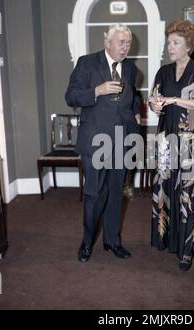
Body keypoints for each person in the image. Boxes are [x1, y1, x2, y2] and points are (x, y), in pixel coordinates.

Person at [65, 24, 140, 262]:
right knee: (94, 193)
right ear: (107, 42)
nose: (125, 47)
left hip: (122, 139)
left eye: (128, 43)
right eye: (121, 42)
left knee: (116, 193)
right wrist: (96, 90)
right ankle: (86, 243)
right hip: (95, 141)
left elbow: (134, 94)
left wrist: (137, 112)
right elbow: (71, 96)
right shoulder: (87, 63)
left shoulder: (129, 68)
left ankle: (112, 241)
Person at [149, 20, 194, 271]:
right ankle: (166, 238)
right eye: (169, 42)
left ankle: (186, 250)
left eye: (175, 43)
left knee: (189, 193)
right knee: (167, 187)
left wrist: (176, 99)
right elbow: (154, 99)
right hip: (166, 138)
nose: (171, 47)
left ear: (189, 46)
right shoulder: (163, 71)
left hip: (192, 141)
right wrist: (155, 106)